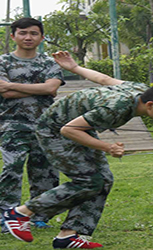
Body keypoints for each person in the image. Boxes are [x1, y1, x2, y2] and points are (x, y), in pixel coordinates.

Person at [2, 51, 153, 248]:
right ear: (150, 105)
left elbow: (104, 79)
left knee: (104, 180)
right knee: (88, 181)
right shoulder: (116, 108)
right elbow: (68, 129)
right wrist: (108, 147)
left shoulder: (139, 90)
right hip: (53, 131)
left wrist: (75, 68)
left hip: (78, 128)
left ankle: (68, 236)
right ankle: (20, 213)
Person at [0, 17, 64, 230]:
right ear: (13, 36)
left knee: (45, 171)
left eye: (34, 33)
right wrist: (39, 87)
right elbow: (3, 92)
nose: (28, 37)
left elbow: (50, 89)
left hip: (45, 125)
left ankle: (39, 215)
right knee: (11, 169)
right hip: (11, 125)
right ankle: (6, 215)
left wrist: (12, 86)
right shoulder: (3, 62)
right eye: (23, 33)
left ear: (42, 37)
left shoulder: (49, 63)